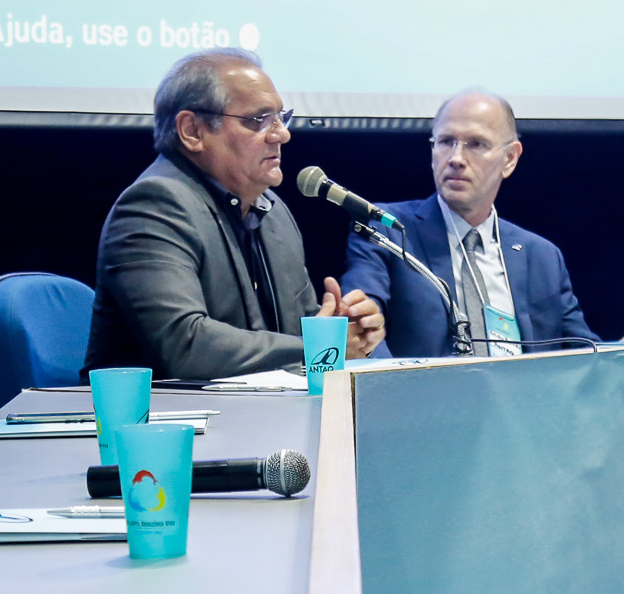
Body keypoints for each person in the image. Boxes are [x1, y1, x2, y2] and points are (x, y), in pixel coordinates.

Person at [83, 49, 384, 379]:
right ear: (192, 131)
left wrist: (347, 328)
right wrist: (320, 347)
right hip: (164, 422)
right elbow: (186, 347)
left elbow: (291, 330)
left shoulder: (273, 212)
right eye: (258, 120)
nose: (282, 134)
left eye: (281, 117)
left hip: (261, 415)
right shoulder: (153, 206)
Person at [341, 90, 595, 357]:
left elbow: (585, 352)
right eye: (446, 141)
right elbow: (364, 329)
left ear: (509, 159)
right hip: (425, 396)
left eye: (476, 144)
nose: (456, 158)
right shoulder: (388, 229)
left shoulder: (542, 256)